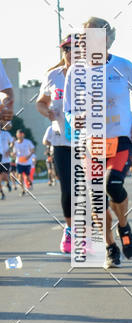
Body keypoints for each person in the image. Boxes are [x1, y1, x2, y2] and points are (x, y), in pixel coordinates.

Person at [64, 17, 132, 268]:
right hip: (92, 141)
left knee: (113, 184)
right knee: (97, 195)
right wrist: (76, 119)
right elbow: (67, 110)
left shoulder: (123, 66)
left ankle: (123, 225)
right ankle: (110, 247)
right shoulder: (75, 72)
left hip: (120, 137)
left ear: (109, 38)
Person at [36, 35, 73, 251]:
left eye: (75, 48)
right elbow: (41, 103)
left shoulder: (93, 76)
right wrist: (46, 112)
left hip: (88, 143)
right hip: (61, 141)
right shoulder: (53, 76)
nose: (70, 52)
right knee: (67, 188)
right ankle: (70, 230)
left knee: (89, 189)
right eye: (66, 48)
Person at [13, 130, 35, 195]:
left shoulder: (28, 142)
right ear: (17, 135)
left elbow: (33, 150)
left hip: (27, 162)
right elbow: (14, 152)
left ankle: (30, 182)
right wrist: (13, 154)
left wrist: (29, 156)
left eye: (21, 134)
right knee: (20, 176)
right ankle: (23, 190)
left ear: (23, 135)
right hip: (19, 162)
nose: (19, 135)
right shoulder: (15, 143)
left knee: (27, 176)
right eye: (18, 134)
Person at [0, 125, 12, 198]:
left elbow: (12, 142)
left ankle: (8, 183)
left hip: (6, 159)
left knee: (4, 176)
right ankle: (2, 193)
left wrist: (9, 150)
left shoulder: (6, 134)